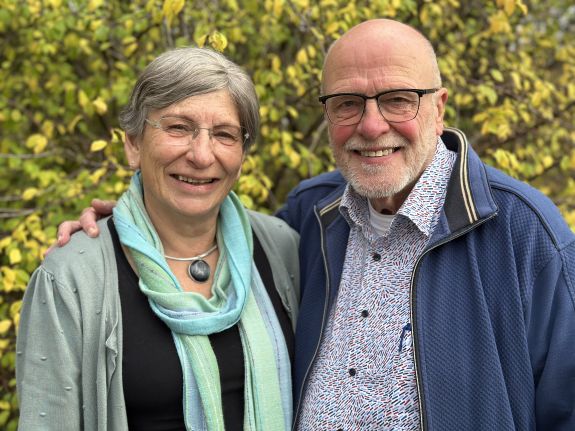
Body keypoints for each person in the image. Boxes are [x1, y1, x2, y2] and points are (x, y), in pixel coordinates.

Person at [53, 19, 575, 430]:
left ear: (438, 109)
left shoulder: (524, 234)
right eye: (347, 104)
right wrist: (135, 222)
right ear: (327, 115)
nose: (372, 125)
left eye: (398, 99)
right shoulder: (311, 216)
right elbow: (208, 235)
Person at [16, 47, 299, 431]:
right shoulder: (70, 279)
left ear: (243, 155)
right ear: (134, 144)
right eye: (178, 127)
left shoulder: (283, 249)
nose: (202, 155)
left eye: (224, 134)